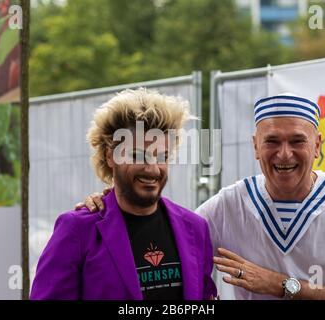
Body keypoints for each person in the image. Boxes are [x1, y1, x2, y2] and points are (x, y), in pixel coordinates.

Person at [80, 93, 325, 300]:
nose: (284, 153)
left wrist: (280, 285)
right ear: (255, 146)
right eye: (272, 141)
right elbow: (163, 233)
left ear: (317, 146)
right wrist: (112, 201)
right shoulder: (229, 204)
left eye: (297, 141)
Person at [30, 88, 217, 300]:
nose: (152, 168)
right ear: (110, 156)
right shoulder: (78, 231)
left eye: (162, 156)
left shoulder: (195, 228)